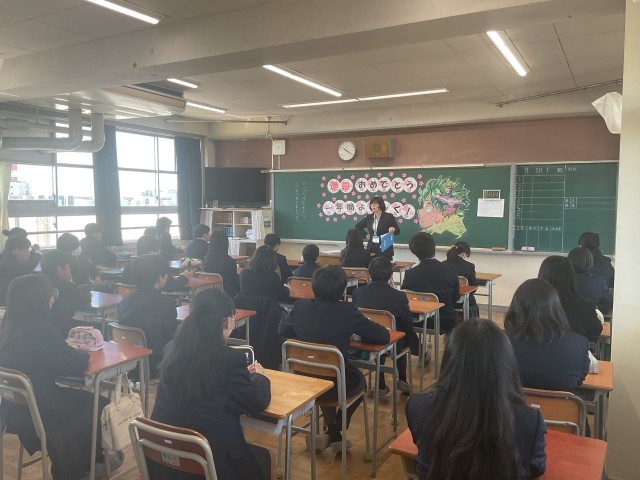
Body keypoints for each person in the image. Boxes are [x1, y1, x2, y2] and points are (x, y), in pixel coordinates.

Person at [0, 274, 123, 480]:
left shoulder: (6, 328)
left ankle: (81, 463)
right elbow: (75, 364)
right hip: (43, 412)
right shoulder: (40, 331)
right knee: (99, 404)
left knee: (83, 399)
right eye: (52, 294)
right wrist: (82, 352)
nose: (54, 298)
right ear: (39, 300)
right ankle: (85, 468)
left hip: (15, 412)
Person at [150, 288, 272, 480]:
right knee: (265, 457)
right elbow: (257, 401)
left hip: (165, 461)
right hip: (207, 466)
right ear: (228, 321)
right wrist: (259, 376)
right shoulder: (229, 360)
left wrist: (240, 377)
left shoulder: (171, 349)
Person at [406, 318, 546, 480]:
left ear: (449, 363)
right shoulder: (531, 422)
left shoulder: (417, 408)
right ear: (506, 365)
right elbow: (537, 469)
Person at [279, 265, 389, 452]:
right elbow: (382, 336)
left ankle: (333, 432)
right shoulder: (347, 311)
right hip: (335, 385)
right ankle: (337, 428)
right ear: (342, 288)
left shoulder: (300, 306)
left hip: (304, 382)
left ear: (314, 286)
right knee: (359, 381)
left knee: (325, 372)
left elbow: (282, 329)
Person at [504, 278, 590, 393]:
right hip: (560, 405)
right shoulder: (579, 345)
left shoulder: (498, 341)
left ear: (515, 308)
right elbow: (579, 381)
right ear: (556, 308)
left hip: (510, 404)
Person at [352, 257, 418, 395]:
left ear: (370, 274)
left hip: (365, 337)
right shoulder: (399, 296)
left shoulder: (358, 292)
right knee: (401, 335)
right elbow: (407, 323)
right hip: (390, 342)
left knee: (380, 332)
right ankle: (402, 380)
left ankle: (381, 384)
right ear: (390, 276)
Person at [117, 254, 178, 377]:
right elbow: (170, 336)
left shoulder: (125, 301)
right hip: (156, 362)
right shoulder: (166, 303)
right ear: (159, 277)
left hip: (128, 361)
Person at [401, 232, 460, 333]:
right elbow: (455, 297)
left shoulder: (410, 274)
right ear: (434, 247)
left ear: (414, 252)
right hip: (444, 320)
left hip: (418, 320)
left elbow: (405, 299)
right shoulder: (449, 270)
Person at [538, 256, 602, 343]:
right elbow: (597, 331)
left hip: (536, 351)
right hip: (573, 350)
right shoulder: (586, 307)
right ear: (571, 276)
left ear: (542, 276)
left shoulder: (531, 304)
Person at [40, 249, 91, 337]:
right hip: (63, 330)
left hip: (43, 330)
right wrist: (69, 282)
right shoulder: (66, 286)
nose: (70, 270)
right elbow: (84, 300)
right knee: (103, 328)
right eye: (68, 267)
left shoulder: (38, 282)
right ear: (59, 268)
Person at [121, 235, 189, 293]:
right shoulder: (157, 263)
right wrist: (183, 277)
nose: (158, 253)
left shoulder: (129, 264)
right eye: (158, 251)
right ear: (151, 251)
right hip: (157, 299)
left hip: (133, 299)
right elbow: (169, 287)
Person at [567, 246, 613, 314]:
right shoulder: (598, 280)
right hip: (591, 316)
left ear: (569, 260)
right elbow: (609, 300)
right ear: (589, 261)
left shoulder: (562, 279)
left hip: (566, 318)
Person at [444, 241, 479, 318]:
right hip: (462, 301)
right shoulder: (469, 266)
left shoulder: (442, 265)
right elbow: (473, 287)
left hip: (445, 300)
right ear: (464, 254)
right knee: (472, 302)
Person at [203, 231, 241, 299]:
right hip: (228, 294)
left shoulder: (206, 260)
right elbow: (234, 282)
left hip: (210, 293)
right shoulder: (229, 261)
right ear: (226, 243)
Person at [0, 235, 34, 306]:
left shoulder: (3, 258)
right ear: (17, 250)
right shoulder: (12, 267)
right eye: (27, 250)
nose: (29, 254)